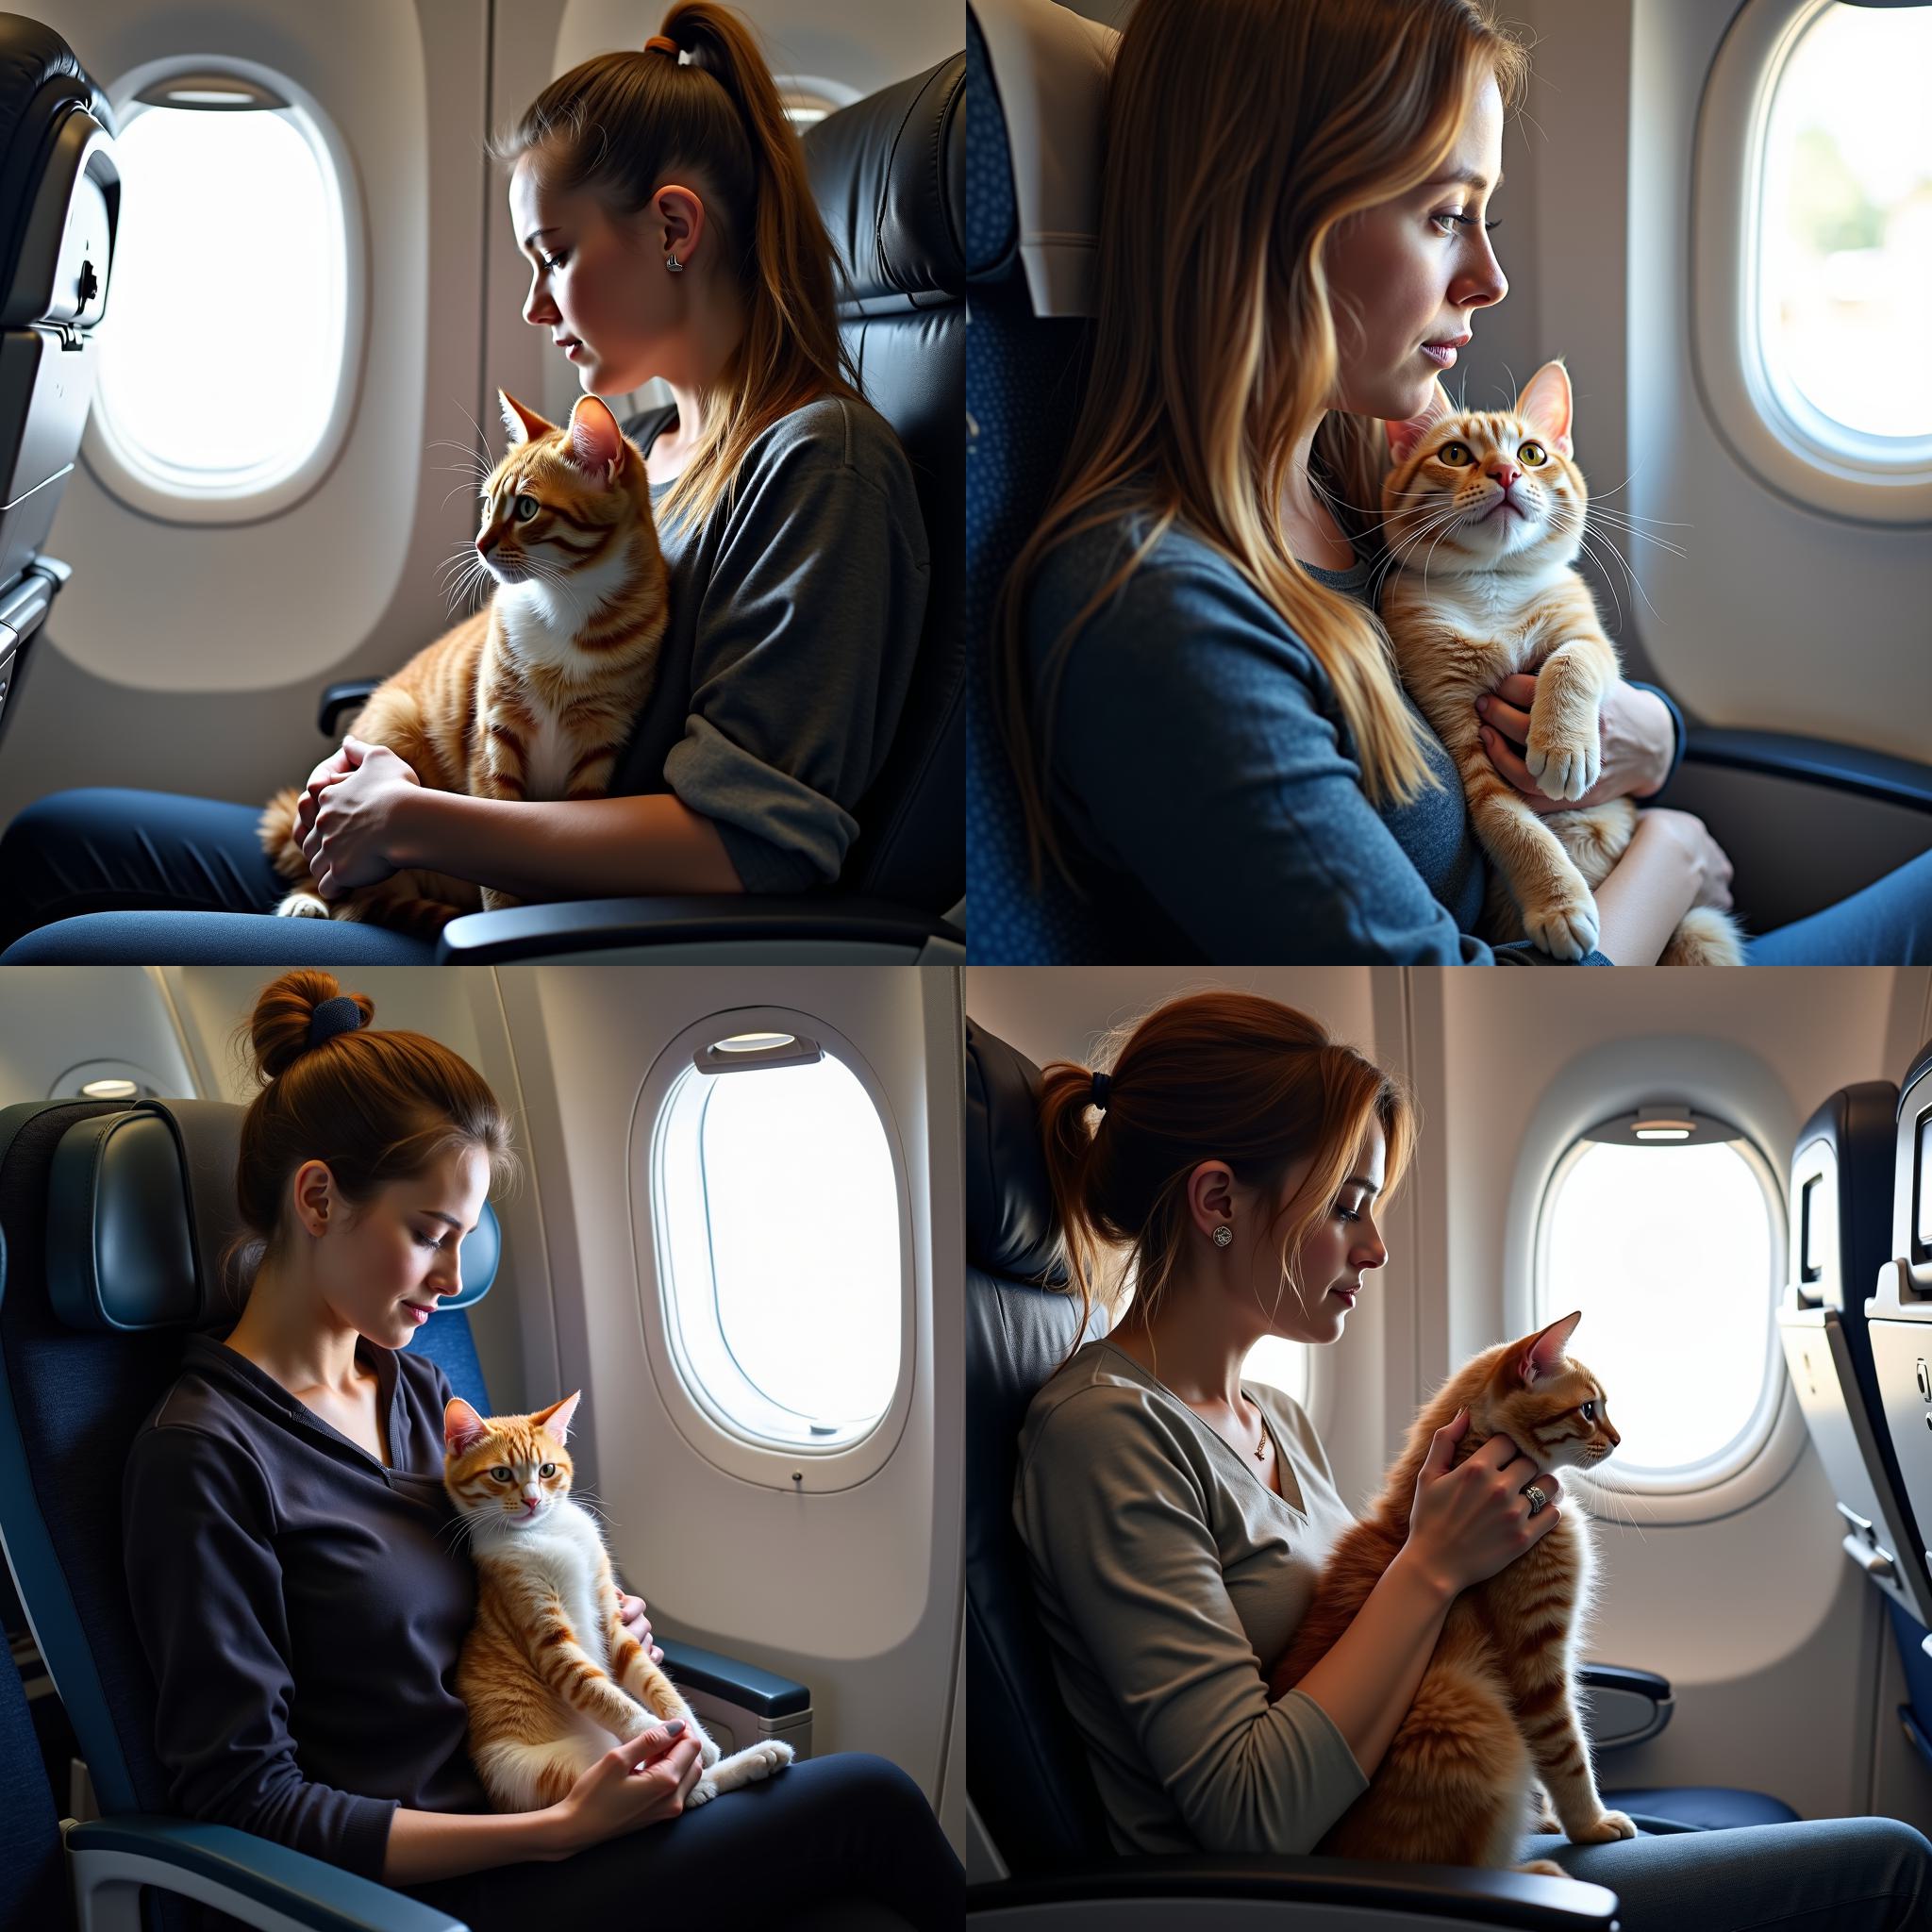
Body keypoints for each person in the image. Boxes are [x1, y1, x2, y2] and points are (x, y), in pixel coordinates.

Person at [990, 0, 1930, 965]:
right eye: (1445, 214)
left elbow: (1551, 656)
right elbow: (1443, 987)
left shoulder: (1355, 478)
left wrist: (1654, 733)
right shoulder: (1155, 609)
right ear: (1271, 218)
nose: (1489, 278)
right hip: (1601, 961)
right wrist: (1670, 858)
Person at [0, 1, 930, 964]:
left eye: (554, 255)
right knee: (50, 836)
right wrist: (382, 765)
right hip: (467, 856)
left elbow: (748, 846)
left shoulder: (821, 469)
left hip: (550, 933)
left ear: (672, 227)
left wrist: (414, 822)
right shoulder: (641, 446)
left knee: (47, 958)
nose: (534, 306)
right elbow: (509, 647)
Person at [1013, 988, 1930, 1928]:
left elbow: (1373, 1658)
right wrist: (1432, 1559)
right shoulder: (1106, 1434)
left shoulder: (1273, 1415)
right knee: (1894, 1864)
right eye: (1349, 1205)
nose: (1374, 1247)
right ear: (1216, 1200)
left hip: (1396, 1844)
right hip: (1302, 1901)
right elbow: (1252, 1812)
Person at [124, 969, 959, 1929]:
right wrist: (554, 1829)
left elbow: (490, 1598)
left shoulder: (414, 1393)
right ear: (316, 1197)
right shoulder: (202, 1457)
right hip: (433, 1891)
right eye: (428, 1233)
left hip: (541, 1805)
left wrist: (593, 1623)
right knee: (868, 1803)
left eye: (466, 1236)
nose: (451, 1276)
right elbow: (246, 1800)